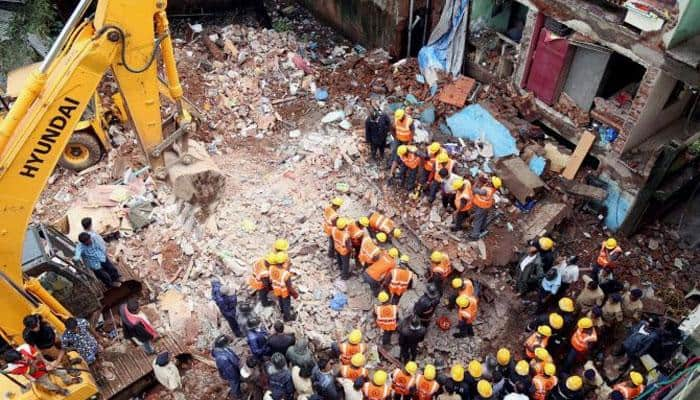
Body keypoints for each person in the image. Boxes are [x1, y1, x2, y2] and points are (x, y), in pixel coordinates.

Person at [3, 344, 80, 396]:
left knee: (62, 372)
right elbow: (31, 372)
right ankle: (59, 390)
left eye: (21, 356)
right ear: (13, 362)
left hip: (43, 365)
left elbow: (39, 356)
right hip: (37, 375)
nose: (23, 358)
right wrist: (31, 364)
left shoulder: (25, 348)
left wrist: (45, 364)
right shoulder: (13, 369)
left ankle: (68, 381)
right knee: (48, 385)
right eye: (19, 360)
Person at [270, 252, 298, 321]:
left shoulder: (271, 267)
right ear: (283, 262)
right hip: (284, 292)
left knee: (280, 300)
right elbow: (289, 287)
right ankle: (287, 317)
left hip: (276, 289)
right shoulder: (285, 274)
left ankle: (282, 310)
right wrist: (295, 294)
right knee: (286, 303)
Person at [388, 109, 415, 175]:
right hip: (398, 138)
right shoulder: (396, 119)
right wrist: (394, 137)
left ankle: (399, 164)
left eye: (401, 118)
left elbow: (412, 131)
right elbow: (392, 128)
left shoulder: (409, 121)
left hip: (406, 140)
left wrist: (410, 141)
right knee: (395, 150)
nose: (400, 119)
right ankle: (390, 163)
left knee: (401, 152)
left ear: (403, 115)